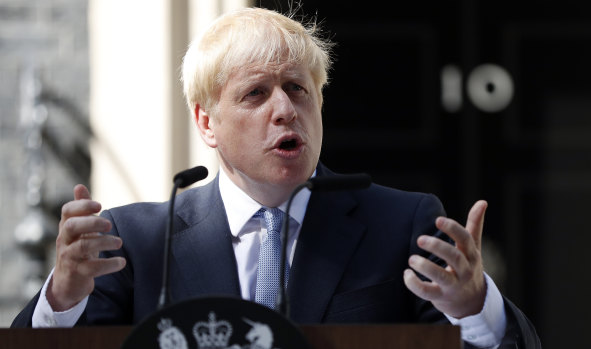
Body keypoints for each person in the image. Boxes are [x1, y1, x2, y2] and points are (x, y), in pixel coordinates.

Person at [12, 7, 540, 348]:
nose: (285, 109)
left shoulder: (402, 224)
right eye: (256, 93)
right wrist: (62, 298)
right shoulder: (137, 242)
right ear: (206, 122)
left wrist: (475, 308)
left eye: (298, 88)